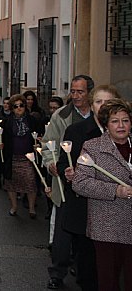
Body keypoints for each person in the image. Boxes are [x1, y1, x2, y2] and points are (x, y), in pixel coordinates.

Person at [57, 85, 120, 291]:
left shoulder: (122, 131)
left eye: (108, 102)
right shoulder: (76, 131)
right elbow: (63, 162)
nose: (103, 107)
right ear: (91, 105)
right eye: (99, 102)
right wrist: (68, 172)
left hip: (116, 210)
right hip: (84, 207)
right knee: (87, 265)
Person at [72, 98, 132, 291]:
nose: (121, 125)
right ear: (106, 125)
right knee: (109, 282)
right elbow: (80, 183)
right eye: (115, 121)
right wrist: (115, 191)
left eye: (125, 120)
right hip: (107, 227)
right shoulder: (93, 147)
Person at [42, 74, 94, 290]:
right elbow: (48, 143)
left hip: (91, 183)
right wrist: (51, 162)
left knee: (86, 232)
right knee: (62, 233)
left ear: (90, 92)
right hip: (65, 184)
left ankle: (84, 271)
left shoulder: (100, 116)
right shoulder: (61, 116)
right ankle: (57, 272)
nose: (75, 96)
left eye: (80, 92)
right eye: (72, 91)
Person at [0, 94, 44, 218]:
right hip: (12, 156)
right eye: (16, 106)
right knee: (11, 183)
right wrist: (0, 145)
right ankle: (14, 206)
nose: (19, 108)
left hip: (28, 157)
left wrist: (38, 143)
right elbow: (1, 137)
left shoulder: (32, 120)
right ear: (12, 108)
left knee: (30, 182)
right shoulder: (7, 122)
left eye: (21, 105)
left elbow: (39, 135)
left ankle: (32, 208)